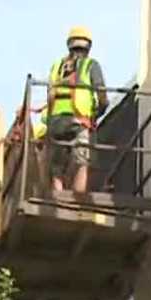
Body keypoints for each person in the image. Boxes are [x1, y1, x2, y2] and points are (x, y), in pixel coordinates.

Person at [46, 25, 109, 193]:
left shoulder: (57, 66)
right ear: (88, 46)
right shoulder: (91, 65)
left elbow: (50, 93)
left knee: (57, 168)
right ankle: (77, 200)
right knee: (82, 162)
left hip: (56, 121)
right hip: (79, 121)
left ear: (70, 44)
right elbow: (102, 96)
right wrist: (97, 113)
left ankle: (58, 197)